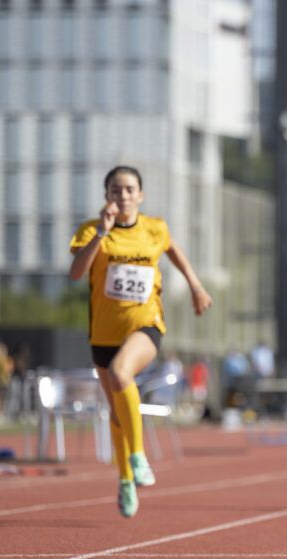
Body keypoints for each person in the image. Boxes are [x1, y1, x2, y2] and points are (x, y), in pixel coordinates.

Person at [69, 166, 212, 518]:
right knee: (118, 414)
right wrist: (101, 234)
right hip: (103, 333)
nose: (124, 196)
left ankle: (139, 457)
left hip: (146, 324)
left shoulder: (154, 228)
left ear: (140, 195)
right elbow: (75, 274)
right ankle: (125, 480)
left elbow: (173, 249)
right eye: (116, 189)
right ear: (107, 195)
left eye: (130, 189)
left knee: (121, 374)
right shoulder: (91, 230)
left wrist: (195, 285)